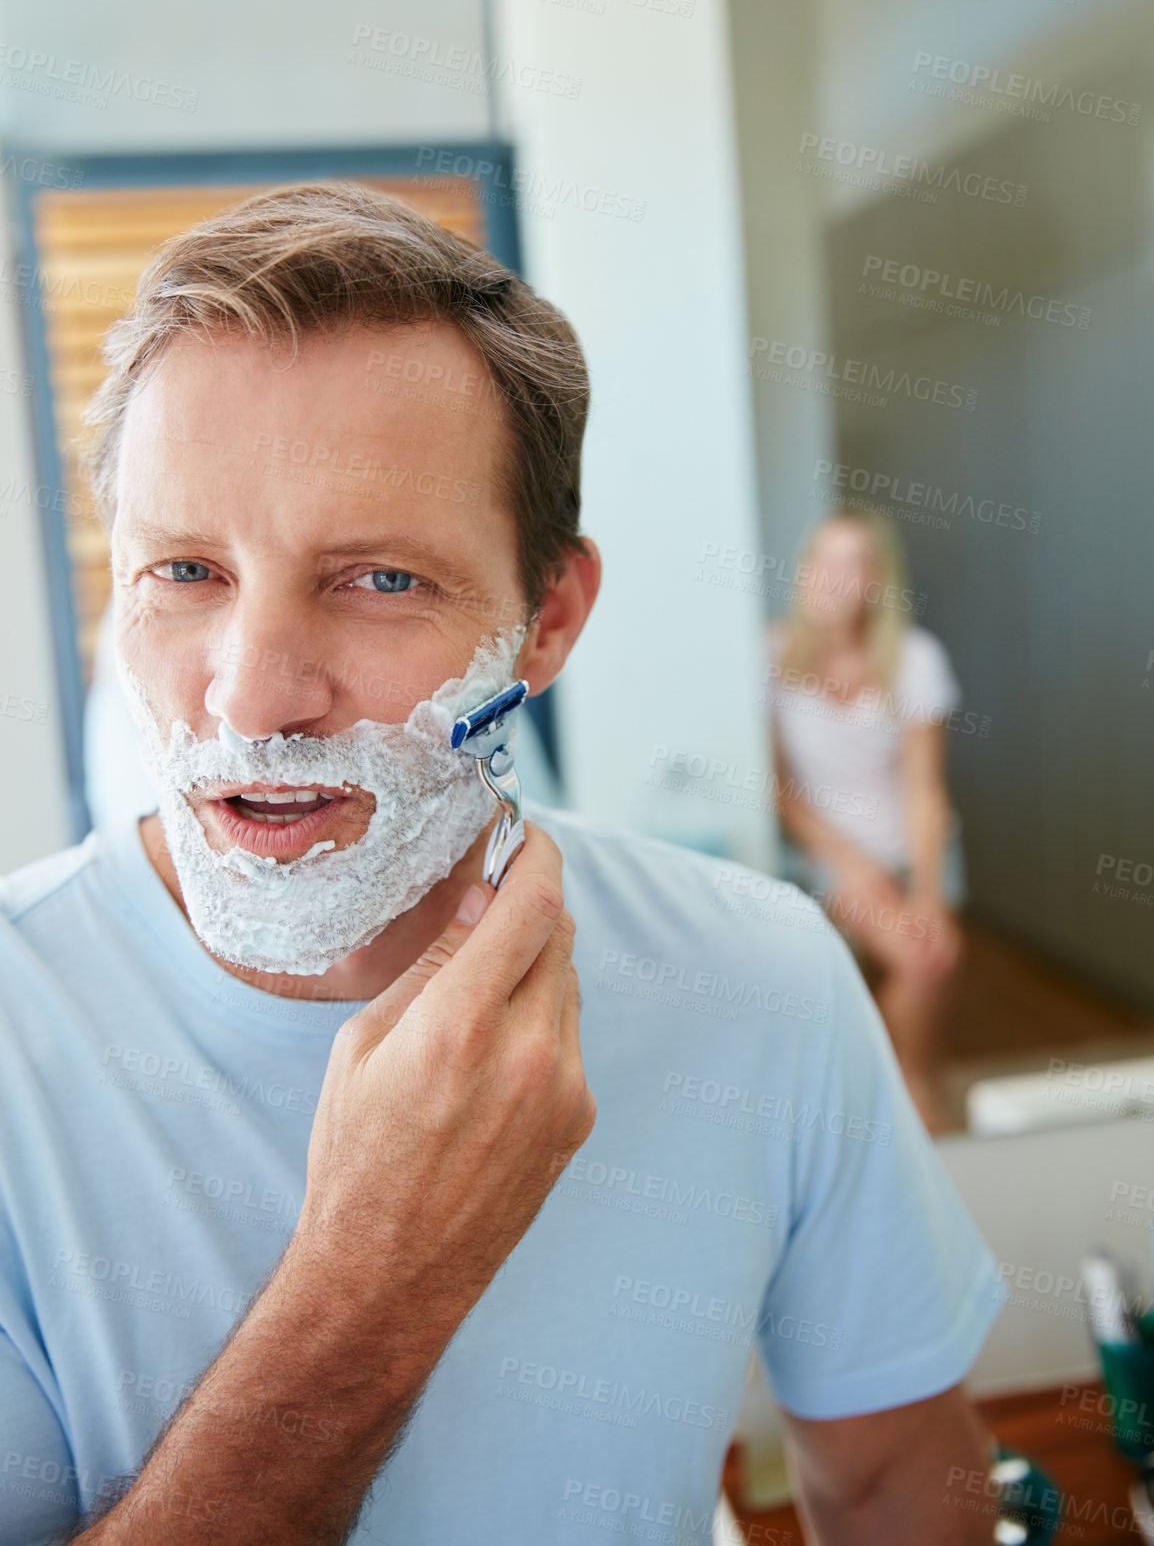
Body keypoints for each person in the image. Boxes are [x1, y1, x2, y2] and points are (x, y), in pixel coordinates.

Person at [0, 185, 1004, 1545]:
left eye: (377, 579)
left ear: (548, 620)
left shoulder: (760, 976)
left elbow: (894, 1483)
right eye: (184, 571)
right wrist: (374, 1283)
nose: (252, 697)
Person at [764, 513, 966, 1131]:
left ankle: (896, 1091)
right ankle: (907, 1090)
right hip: (830, 856)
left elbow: (925, 789)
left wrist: (928, 895)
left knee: (929, 953)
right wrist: (851, 863)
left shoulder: (915, 658)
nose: (833, 578)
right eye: (822, 560)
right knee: (918, 960)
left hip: (916, 850)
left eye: (852, 562)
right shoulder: (771, 654)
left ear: (876, 579)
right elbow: (782, 791)